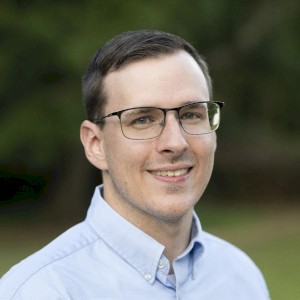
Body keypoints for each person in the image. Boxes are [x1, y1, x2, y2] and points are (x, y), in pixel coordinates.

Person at [0, 30, 270, 299]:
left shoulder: (241, 276)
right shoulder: (43, 290)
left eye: (190, 114)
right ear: (96, 144)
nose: (176, 143)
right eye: (143, 119)